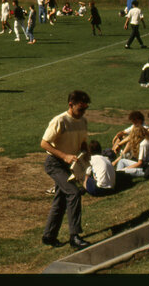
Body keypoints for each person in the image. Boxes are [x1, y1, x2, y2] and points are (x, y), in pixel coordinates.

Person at [40, 90, 92, 250]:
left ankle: (49, 236)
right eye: (80, 109)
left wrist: (85, 154)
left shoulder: (82, 121)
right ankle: (74, 236)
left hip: (70, 164)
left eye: (85, 109)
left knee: (61, 199)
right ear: (71, 105)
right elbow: (44, 143)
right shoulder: (60, 121)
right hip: (55, 163)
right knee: (74, 193)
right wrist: (64, 156)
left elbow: (82, 142)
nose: (83, 112)